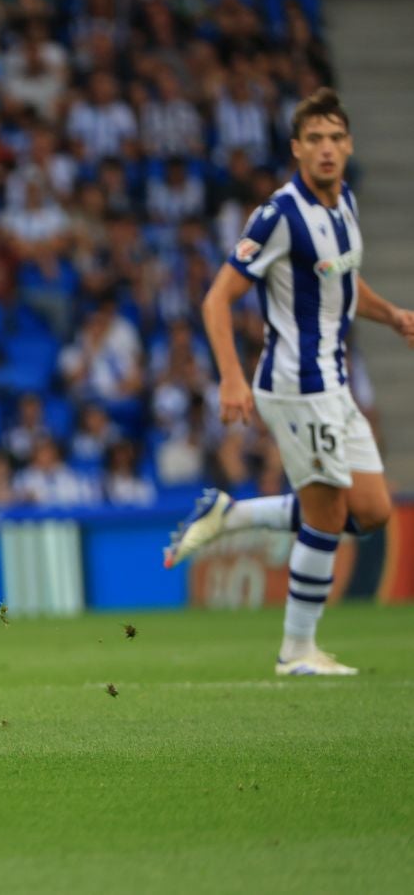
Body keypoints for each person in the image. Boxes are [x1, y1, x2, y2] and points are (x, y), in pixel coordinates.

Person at [163, 89, 414, 675]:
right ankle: (297, 650)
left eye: (335, 138)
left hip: (335, 382)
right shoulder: (278, 216)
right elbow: (216, 299)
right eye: (315, 140)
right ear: (297, 149)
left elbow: (346, 288)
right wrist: (230, 377)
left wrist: (395, 315)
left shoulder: (344, 202)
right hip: (296, 385)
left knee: (373, 512)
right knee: (326, 516)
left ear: (348, 145)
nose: (326, 150)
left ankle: (230, 516)